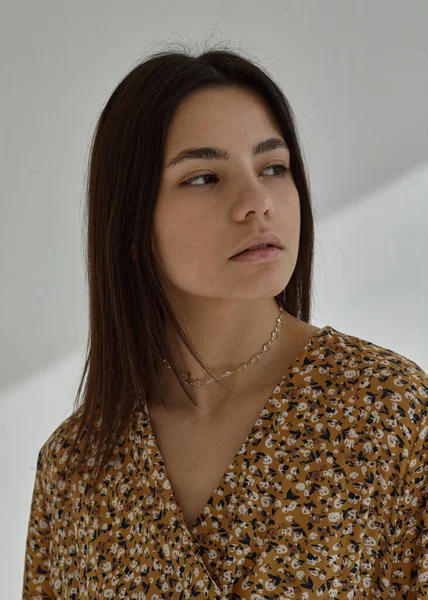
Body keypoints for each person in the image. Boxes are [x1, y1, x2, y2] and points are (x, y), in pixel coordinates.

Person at [22, 43, 428, 600]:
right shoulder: (75, 468)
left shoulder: (389, 413)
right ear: (131, 222)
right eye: (203, 178)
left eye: (274, 168)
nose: (257, 201)